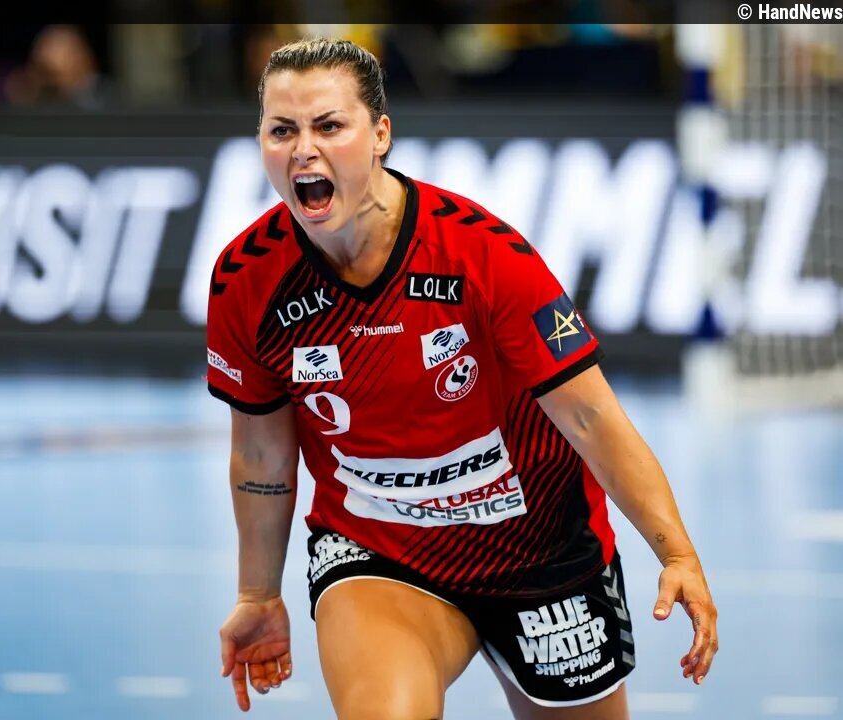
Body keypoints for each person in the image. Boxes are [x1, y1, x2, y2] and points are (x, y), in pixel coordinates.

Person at [206, 37, 718, 719]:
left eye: (328, 126)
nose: (303, 150)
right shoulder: (246, 280)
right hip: (380, 550)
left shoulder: (481, 254)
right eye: (282, 130)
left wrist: (676, 553)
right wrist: (257, 593)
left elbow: (591, 417)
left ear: (380, 134)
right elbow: (262, 454)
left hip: (538, 549)